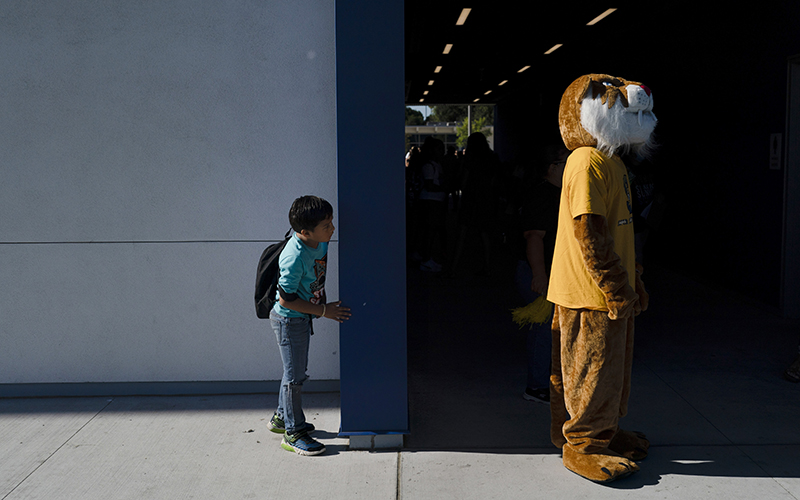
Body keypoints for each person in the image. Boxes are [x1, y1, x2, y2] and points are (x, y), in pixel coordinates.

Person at [267, 195, 351, 456]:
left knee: (295, 370)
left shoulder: (319, 241)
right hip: (288, 321)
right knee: (295, 377)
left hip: (301, 319)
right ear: (305, 231)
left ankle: (281, 417)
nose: (333, 229)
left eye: (332, 222)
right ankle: (293, 433)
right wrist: (324, 311)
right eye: (327, 225)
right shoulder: (294, 256)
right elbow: (286, 299)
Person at [515, 146, 568, 404]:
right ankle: (536, 387)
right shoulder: (543, 195)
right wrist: (540, 275)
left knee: (549, 327)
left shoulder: (558, 193)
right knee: (543, 327)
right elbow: (534, 237)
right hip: (539, 272)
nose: (570, 165)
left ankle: (546, 382)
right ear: (552, 168)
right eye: (564, 162)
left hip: (549, 271)